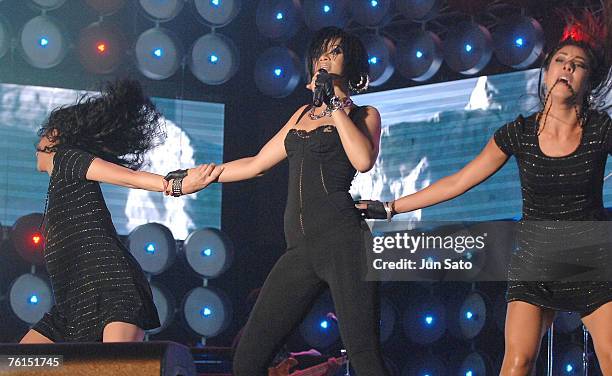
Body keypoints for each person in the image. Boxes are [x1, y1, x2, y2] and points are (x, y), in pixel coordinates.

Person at [358, 9, 612, 375]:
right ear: (546, 71)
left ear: (589, 81)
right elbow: (459, 182)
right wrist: (391, 207)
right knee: (517, 361)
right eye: (560, 60)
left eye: (578, 65)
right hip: (536, 259)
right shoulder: (518, 133)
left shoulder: (601, 130)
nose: (567, 68)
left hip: (589, 258)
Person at [175, 26, 388, 375]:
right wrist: (197, 176)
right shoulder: (301, 116)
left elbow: (363, 160)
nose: (325, 58)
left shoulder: (364, 115)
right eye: (320, 52)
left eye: (334, 52)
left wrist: (333, 102)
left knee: (365, 355)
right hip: (300, 250)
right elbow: (256, 164)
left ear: (351, 63)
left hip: (345, 243)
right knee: (248, 359)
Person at [20, 79, 222, 343]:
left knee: (114, 367)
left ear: (56, 137)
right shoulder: (61, 178)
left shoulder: (66, 158)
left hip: (109, 287)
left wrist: (176, 185)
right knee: (17, 366)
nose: (38, 141)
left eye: (44, 133)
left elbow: (127, 178)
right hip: (72, 304)